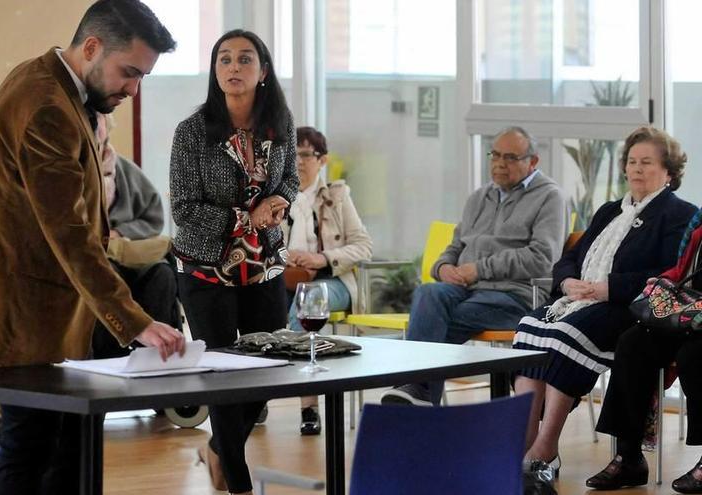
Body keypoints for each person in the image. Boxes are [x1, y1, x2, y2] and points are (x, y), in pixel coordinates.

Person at [0, 2, 185, 493]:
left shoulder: (42, 78)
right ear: (91, 47)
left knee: (67, 457)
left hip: (48, 316)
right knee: (34, 459)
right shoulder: (47, 105)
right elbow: (68, 233)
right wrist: (134, 321)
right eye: (129, 72)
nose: (134, 89)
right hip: (27, 319)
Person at [512, 126, 697, 475]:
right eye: (632, 162)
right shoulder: (609, 211)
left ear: (669, 172)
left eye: (647, 162)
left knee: (565, 337)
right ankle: (524, 439)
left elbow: (670, 272)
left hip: (630, 307)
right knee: (529, 328)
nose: (637, 169)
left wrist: (605, 288)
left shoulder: (679, 214)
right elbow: (572, 256)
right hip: (581, 300)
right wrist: (567, 281)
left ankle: (546, 447)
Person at [170, 29, 297, 495]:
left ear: (262, 72)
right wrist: (249, 215)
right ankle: (238, 484)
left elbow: (290, 182)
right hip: (207, 269)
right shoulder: (192, 132)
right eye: (224, 59)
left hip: (265, 265)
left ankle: (219, 450)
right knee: (224, 372)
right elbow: (183, 209)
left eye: (245, 59)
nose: (234, 67)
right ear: (215, 70)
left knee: (269, 367)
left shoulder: (279, 124)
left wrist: (278, 201)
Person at [381, 126, 568, 407]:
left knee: (436, 321)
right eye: (495, 155)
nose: (499, 164)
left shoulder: (550, 197)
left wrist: (480, 269)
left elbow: (542, 257)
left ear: (533, 161)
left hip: (515, 296)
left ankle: (415, 389)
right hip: (467, 289)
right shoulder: (480, 197)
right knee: (429, 294)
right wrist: (443, 267)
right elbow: (456, 246)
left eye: (510, 157)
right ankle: (417, 391)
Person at [585, 209, 702, 492]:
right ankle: (629, 457)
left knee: (694, 356)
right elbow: (683, 269)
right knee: (632, 343)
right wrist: (661, 283)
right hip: (691, 312)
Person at [283, 125, 372, 435]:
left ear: (322, 160)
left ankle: (308, 406)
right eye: (292, 154)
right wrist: (287, 257)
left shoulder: (337, 195)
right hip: (284, 277)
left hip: (331, 282)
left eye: (306, 155)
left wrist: (322, 259)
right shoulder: (276, 197)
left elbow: (363, 246)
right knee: (257, 309)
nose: (298, 161)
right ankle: (257, 400)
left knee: (303, 306)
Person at [91, 113, 181, 359]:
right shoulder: (73, 171)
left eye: (99, 123)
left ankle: (157, 352)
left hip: (130, 251)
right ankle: (109, 355)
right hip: (95, 255)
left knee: (162, 275)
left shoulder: (124, 170)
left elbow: (152, 218)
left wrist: (121, 232)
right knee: (108, 274)